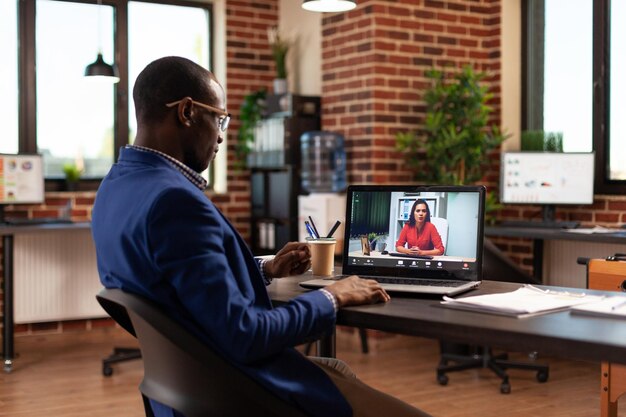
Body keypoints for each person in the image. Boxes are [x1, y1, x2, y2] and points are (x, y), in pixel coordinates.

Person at [91, 56, 431, 417]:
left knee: (340, 372)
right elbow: (245, 334)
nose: (221, 134)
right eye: (219, 118)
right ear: (187, 112)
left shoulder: (116, 187)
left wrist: (266, 268)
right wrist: (333, 296)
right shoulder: (173, 201)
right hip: (240, 390)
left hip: (180, 391)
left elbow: (180, 283)